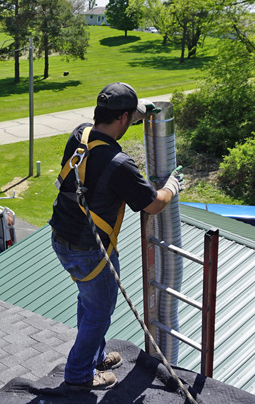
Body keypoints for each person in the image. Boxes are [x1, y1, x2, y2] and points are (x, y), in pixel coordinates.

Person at [49, 82, 184, 391]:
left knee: (89, 301)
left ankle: (94, 355)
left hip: (62, 237)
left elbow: (97, 161)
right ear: (122, 118)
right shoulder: (119, 164)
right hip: (90, 251)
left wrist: (136, 113)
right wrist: (173, 185)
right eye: (131, 119)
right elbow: (153, 203)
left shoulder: (80, 135)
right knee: (99, 313)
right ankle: (80, 373)